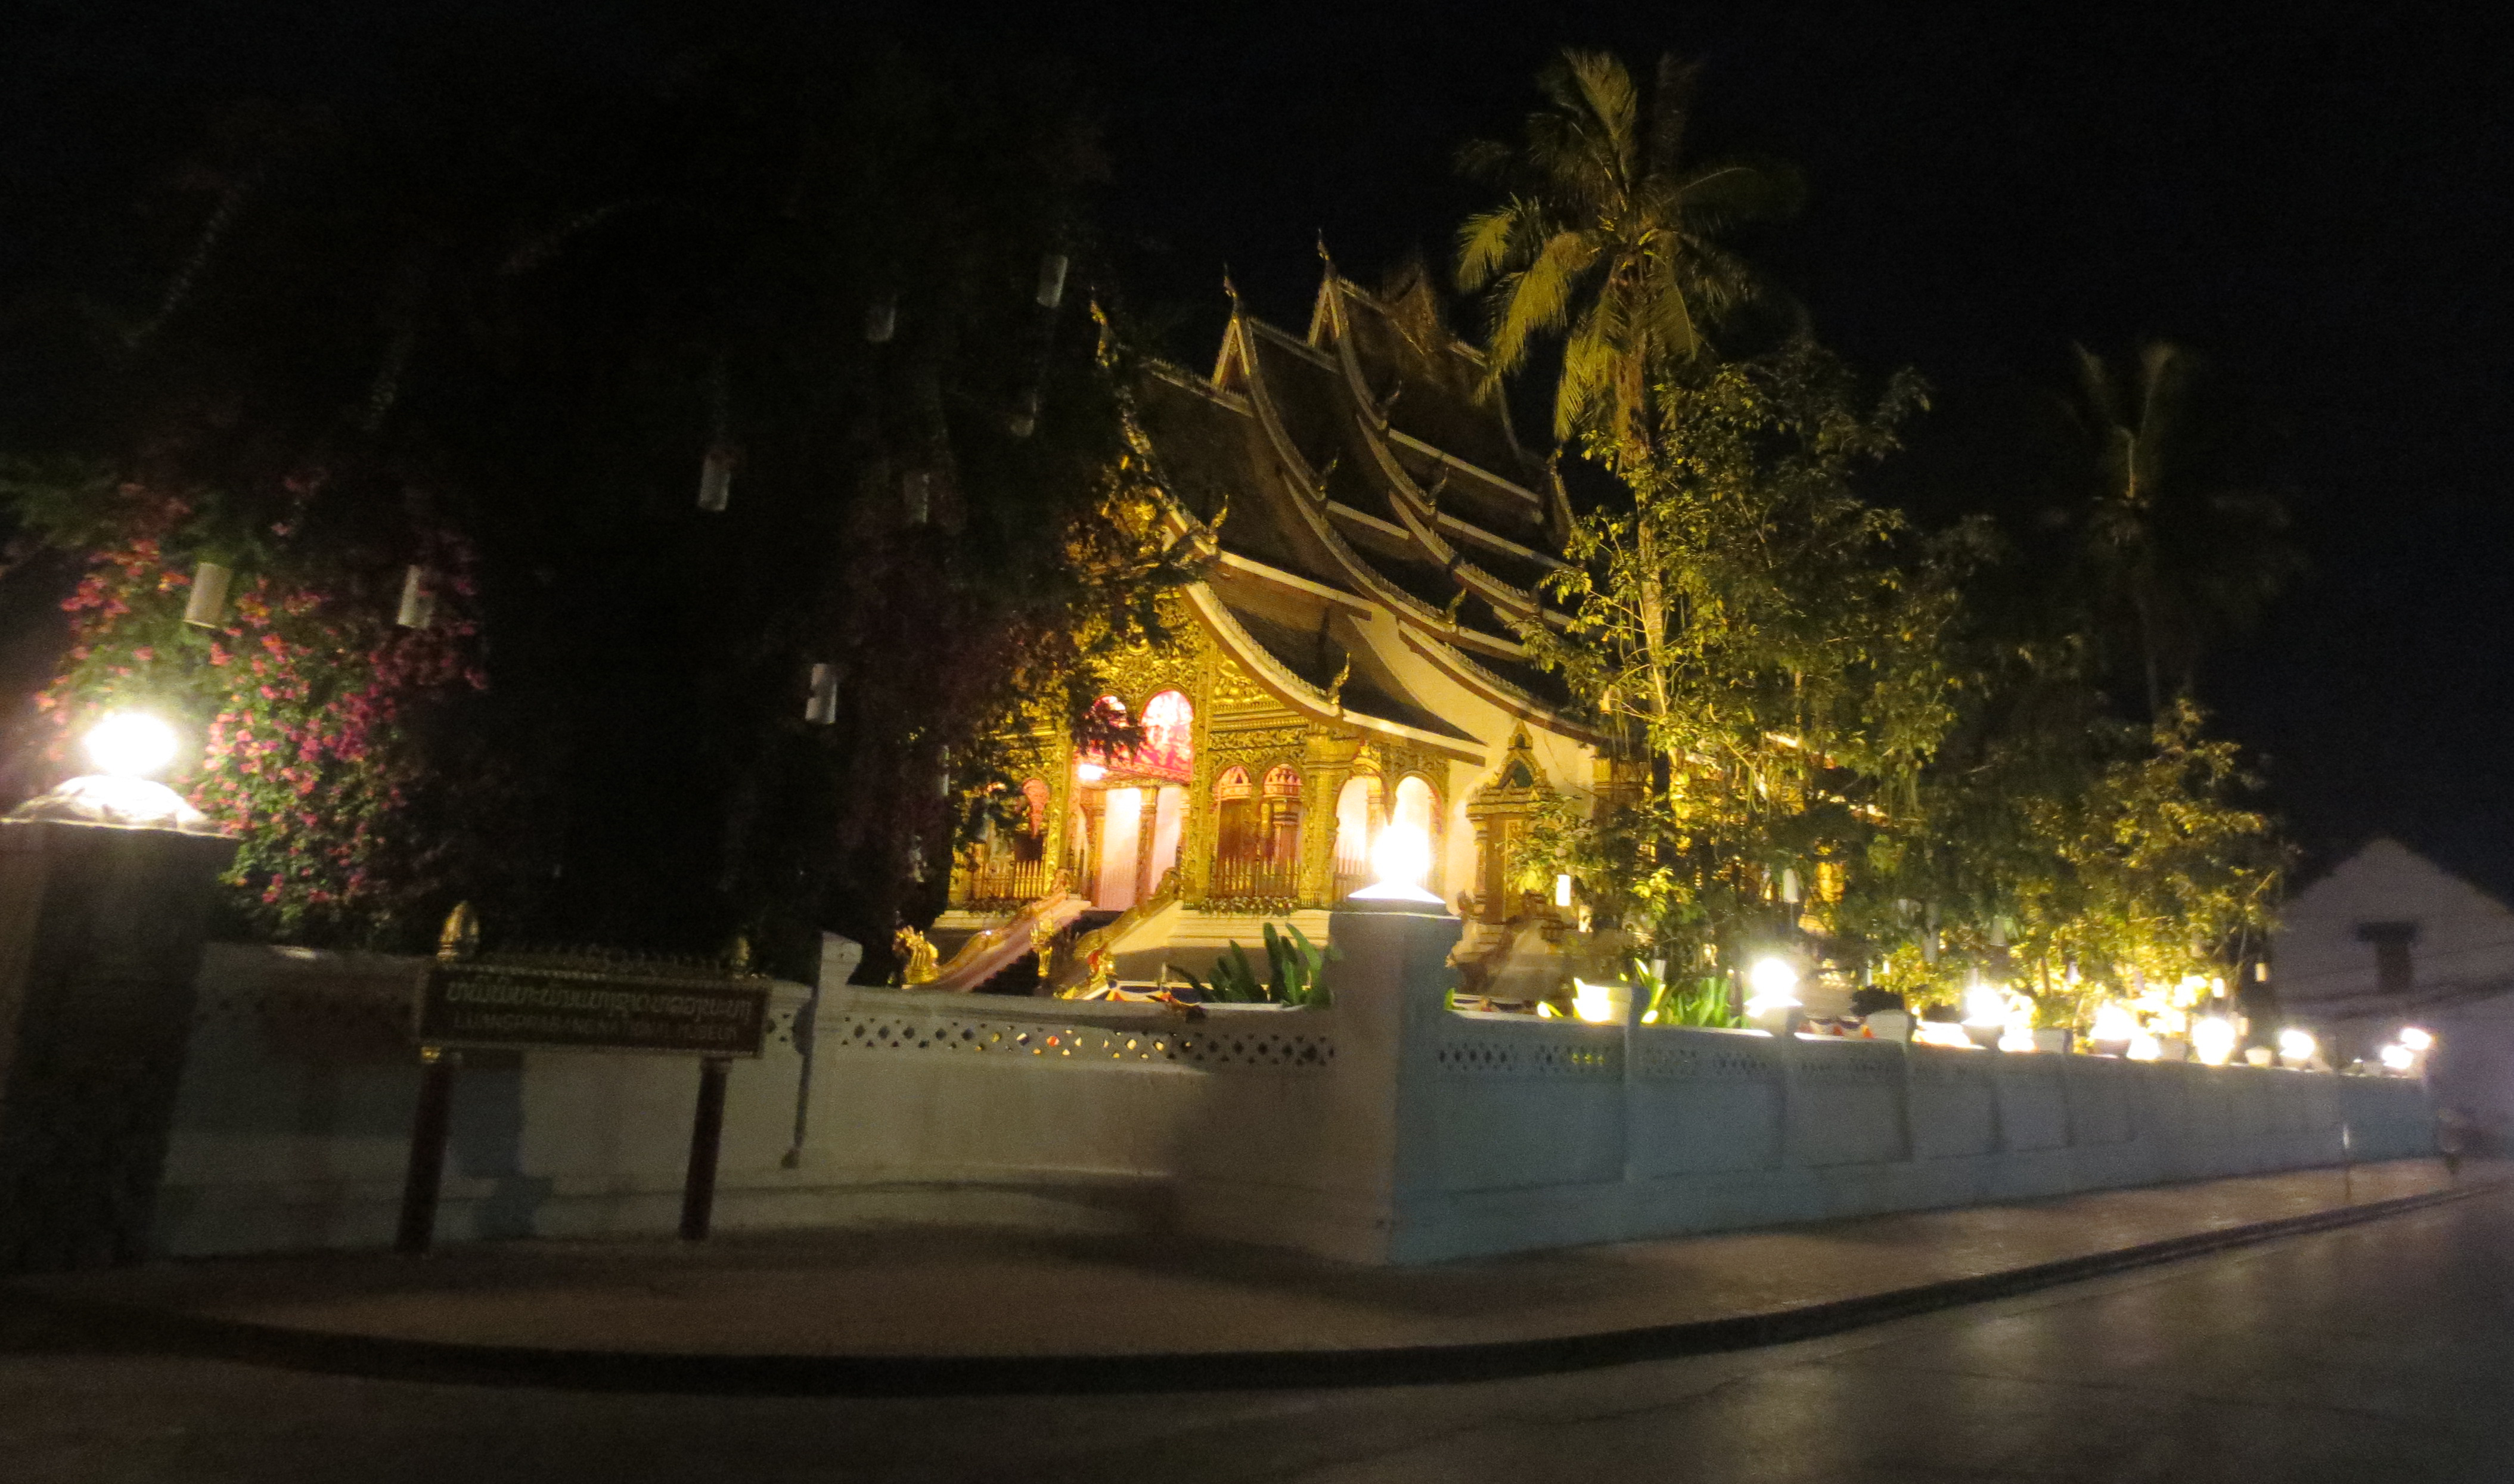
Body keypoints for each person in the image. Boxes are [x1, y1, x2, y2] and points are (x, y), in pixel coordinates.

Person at [2436, 1106, 2477, 1178]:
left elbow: (2462, 1129)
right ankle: (2453, 1170)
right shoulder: (2446, 1124)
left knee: (2454, 1155)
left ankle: (2454, 1170)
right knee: (2450, 1155)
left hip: (2454, 1143)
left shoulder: (2458, 1122)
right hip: (2449, 1143)